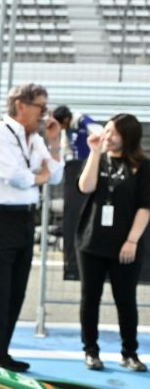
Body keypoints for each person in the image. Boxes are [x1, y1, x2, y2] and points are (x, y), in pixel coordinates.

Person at [0, 83, 63, 371]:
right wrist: (39, 176)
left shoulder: (35, 138)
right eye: (40, 106)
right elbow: (13, 176)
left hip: (25, 218)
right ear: (21, 106)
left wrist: (54, 144)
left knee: (17, 291)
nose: (44, 113)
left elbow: (56, 176)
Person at [75, 114, 150, 371]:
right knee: (90, 298)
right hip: (92, 241)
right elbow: (85, 187)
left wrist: (131, 240)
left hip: (125, 245)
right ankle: (90, 351)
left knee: (126, 299)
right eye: (106, 131)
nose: (108, 137)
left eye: (114, 133)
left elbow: (145, 207)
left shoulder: (142, 166)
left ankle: (130, 352)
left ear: (127, 137)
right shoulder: (98, 158)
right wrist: (94, 153)